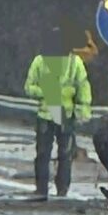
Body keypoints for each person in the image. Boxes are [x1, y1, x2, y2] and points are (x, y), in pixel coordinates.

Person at [23, 22, 93, 200]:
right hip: (50, 114)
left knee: (61, 154)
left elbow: (83, 87)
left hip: (62, 114)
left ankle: (59, 189)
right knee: (48, 154)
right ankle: (44, 189)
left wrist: (83, 109)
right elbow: (29, 87)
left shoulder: (73, 62)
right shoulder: (41, 61)